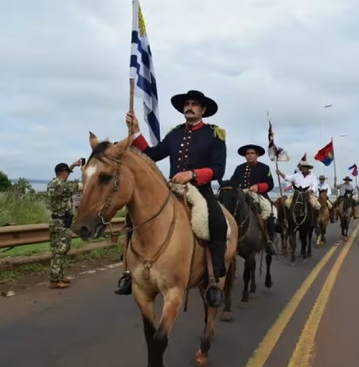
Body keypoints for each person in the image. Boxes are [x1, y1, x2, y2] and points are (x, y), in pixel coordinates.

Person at [116, 90, 227, 300]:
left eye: (195, 104)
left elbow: (218, 169)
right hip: (172, 189)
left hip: (200, 189)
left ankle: (214, 278)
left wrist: (192, 174)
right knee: (134, 217)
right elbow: (151, 155)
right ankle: (130, 272)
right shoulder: (175, 134)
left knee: (218, 222)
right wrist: (136, 132)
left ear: (203, 110)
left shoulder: (214, 134)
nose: (190, 107)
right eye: (187, 103)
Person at [229, 144, 277, 255]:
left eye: (252, 153)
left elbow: (270, 184)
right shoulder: (239, 168)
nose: (250, 156)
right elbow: (233, 182)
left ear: (257, 155)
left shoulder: (265, 168)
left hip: (259, 195)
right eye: (248, 154)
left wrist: (258, 187)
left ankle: (269, 241)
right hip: (242, 195)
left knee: (270, 212)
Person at [47, 160, 84, 289]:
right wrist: (84, 172)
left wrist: (72, 165)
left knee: (61, 250)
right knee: (60, 251)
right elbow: (80, 186)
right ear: (62, 172)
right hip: (60, 222)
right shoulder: (60, 186)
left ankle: (59, 276)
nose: (68, 175)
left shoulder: (54, 183)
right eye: (67, 172)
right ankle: (54, 280)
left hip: (60, 221)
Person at [275, 160, 321, 226]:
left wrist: (311, 190)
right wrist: (280, 173)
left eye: (305, 167)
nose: (303, 168)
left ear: (308, 168)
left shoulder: (313, 176)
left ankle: (316, 222)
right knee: (286, 203)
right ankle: (287, 220)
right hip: (297, 194)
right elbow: (287, 178)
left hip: (308, 194)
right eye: (302, 167)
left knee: (317, 205)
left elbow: (315, 186)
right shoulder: (297, 175)